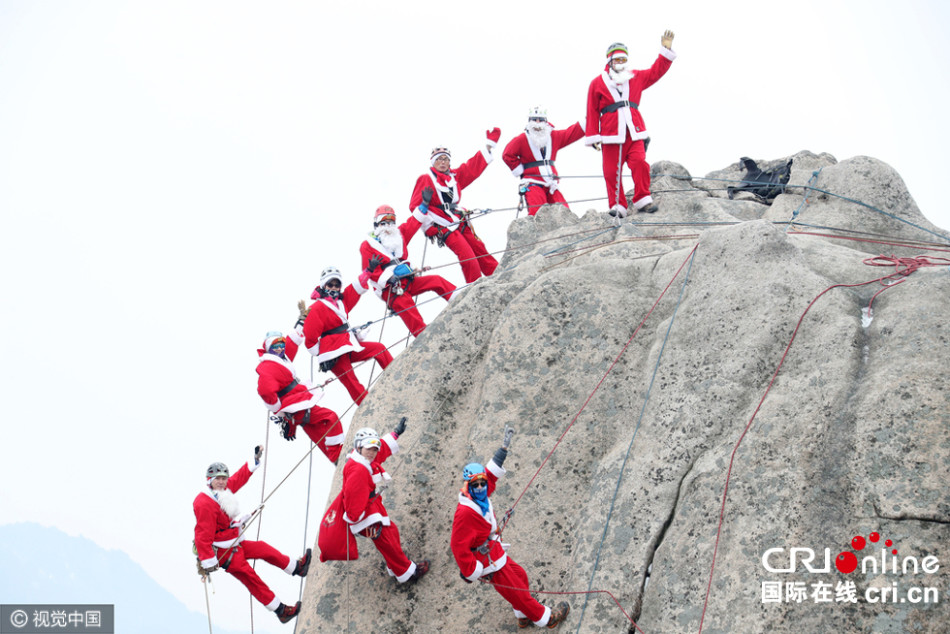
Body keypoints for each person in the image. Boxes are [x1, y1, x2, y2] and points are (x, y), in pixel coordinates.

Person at [450, 427, 570, 629]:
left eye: (482, 483)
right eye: (475, 484)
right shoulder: (465, 513)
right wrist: (474, 571)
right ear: (468, 486)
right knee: (518, 593)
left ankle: (523, 616)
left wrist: (503, 448)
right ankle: (546, 618)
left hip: (493, 551)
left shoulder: (481, 496)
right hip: (486, 561)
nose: (481, 487)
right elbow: (457, 545)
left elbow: (490, 474)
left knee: (520, 575)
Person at [193, 448, 310, 624]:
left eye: (224, 478)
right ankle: (281, 611)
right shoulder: (204, 503)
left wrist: (253, 461)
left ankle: (297, 568)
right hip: (223, 553)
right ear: (210, 480)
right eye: (218, 478)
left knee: (263, 548)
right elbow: (203, 536)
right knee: (252, 578)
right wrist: (208, 562)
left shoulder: (222, 491)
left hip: (232, 542)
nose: (222, 482)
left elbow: (238, 479)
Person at [317, 420, 430, 585]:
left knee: (390, 534)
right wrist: (362, 524)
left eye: (374, 448)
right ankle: (407, 572)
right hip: (365, 515)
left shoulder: (361, 460)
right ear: (359, 447)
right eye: (369, 448)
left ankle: (397, 567)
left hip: (369, 507)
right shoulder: (358, 470)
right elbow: (354, 502)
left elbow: (381, 449)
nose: (372, 452)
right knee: (388, 541)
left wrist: (396, 433)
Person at [585, 32, 676, 217]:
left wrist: (665, 50)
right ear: (610, 61)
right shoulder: (597, 83)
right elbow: (592, 110)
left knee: (640, 163)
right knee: (611, 172)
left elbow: (656, 71)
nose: (620, 62)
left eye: (623, 59)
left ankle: (643, 199)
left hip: (634, 131)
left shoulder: (636, 77)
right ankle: (618, 206)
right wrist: (593, 135)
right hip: (611, 133)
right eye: (617, 59)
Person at [408, 129, 502, 283]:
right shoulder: (426, 179)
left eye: (446, 159)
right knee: (467, 256)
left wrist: (489, 146)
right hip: (442, 224)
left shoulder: (454, 177)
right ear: (433, 162)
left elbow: (472, 168)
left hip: (459, 219)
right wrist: (428, 224)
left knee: (480, 249)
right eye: (439, 159)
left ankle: (498, 276)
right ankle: (475, 286)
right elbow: (414, 206)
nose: (443, 162)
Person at [256, 320, 345, 463]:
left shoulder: (281, 360)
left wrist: (302, 322)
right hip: (295, 405)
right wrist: (279, 409)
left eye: (281, 345)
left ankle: (336, 460)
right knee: (331, 417)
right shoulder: (268, 367)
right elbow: (265, 391)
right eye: (276, 346)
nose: (280, 349)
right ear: (268, 348)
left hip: (296, 406)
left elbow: (292, 343)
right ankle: (336, 455)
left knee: (317, 432)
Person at [360, 205, 456, 337]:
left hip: (408, 279)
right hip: (390, 289)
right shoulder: (367, 245)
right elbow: (371, 273)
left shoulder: (398, 236)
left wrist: (423, 206)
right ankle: (425, 338)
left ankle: (458, 298)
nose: (388, 225)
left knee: (436, 281)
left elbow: (411, 224)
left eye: (391, 221)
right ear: (377, 224)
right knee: (408, 309)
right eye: (384, 222)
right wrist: (389, 279)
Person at [303, 266, 394, 406]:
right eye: (330, 284)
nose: (334, 288)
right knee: (351, 381)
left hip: (347, 344)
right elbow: (310, 338)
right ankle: (368, 407)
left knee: (379, 349)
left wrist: (368, 271)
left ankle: (396, 375)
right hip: (333, 353)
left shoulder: (341, 302)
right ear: (323, 285)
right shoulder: (316, 308)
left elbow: (355, 290)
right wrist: (322, 354)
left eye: (337, 284)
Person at [502, 107, 584, 217]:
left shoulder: (554, 136)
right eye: (534, 120)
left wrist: (589, 120)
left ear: (545, 121)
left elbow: (571, 133)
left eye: (540, 120)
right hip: (532, 181)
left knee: (564, 212)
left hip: (551, 183)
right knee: (537, 213)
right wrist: (521, 170)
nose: (537, 123)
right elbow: (507, 154)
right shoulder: (522, 139)